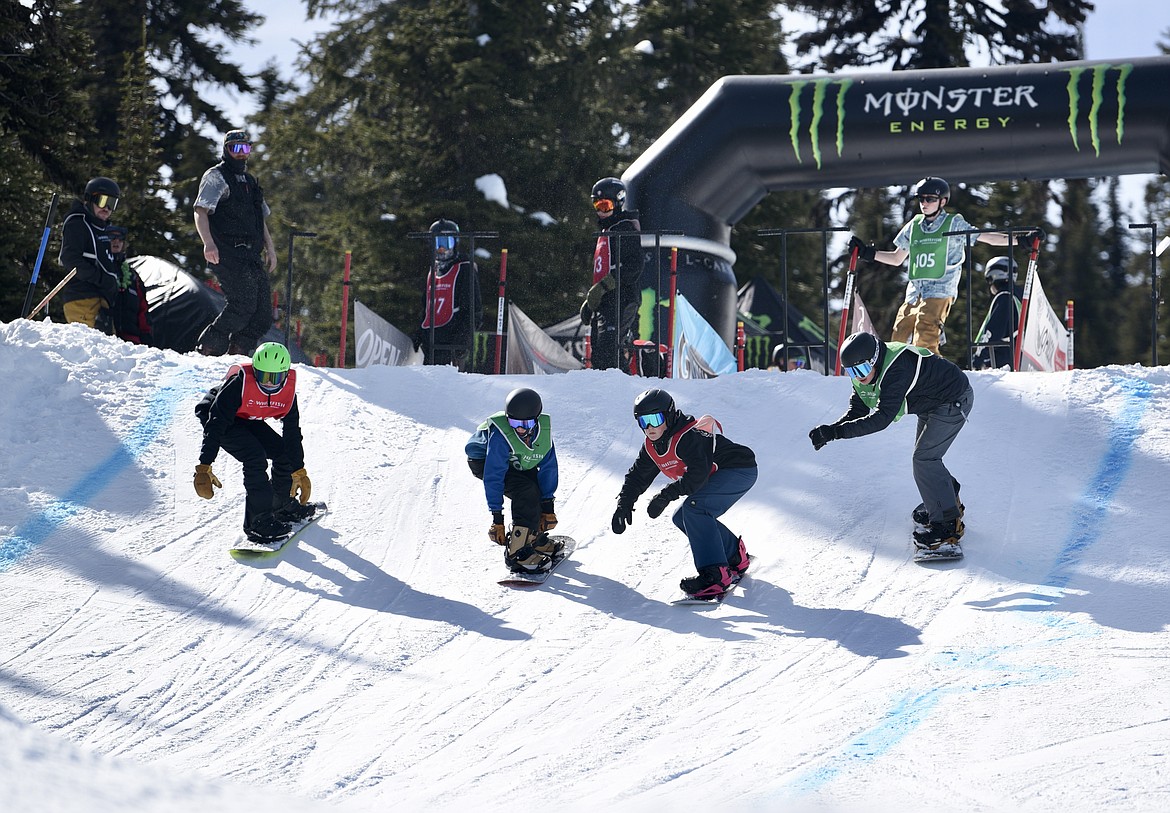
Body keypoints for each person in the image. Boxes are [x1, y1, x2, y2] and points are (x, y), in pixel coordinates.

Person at [808, 332, 972, 553]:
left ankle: (948, 527)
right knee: (925, 460)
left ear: (875, 359)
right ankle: (945, 500)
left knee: (925, 459)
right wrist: (829, 430)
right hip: (931, 402)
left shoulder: (896, 368)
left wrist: (836, 433)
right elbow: (858, 409)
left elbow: (882, 418)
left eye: (862, 370)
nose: (858, 377)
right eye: (851, 372)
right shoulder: (864, 374)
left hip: (953, 399)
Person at [848, 176, 1039, 355]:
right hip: (915, 292)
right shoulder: (914, 225)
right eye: (921, 199)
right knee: (900, 336)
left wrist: (1019, 241)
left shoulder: (953, 223)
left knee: (925, 334)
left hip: (939, 289)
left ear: (942, 201)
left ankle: (932, 377)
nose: (924, 203)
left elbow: (986, 237)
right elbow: (897, 258)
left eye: (930, 199)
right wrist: (868, 253)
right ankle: (903, 376)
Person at [611, 389, 758, 599]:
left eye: (655, 419)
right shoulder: (653, 446)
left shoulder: (689, 436)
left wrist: (665, 496)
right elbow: (637, 477)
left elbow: (697, 476)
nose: (650, 427)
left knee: (695, 510)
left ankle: (715, 575)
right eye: (643, 422)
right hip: (722, 474)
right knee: (682, 517)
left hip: (738, 469)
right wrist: (624, 504)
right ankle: (734, 556)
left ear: (669, 415)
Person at [193, 341, 318, 542]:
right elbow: (216, 423)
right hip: (217, 416)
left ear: (285, 375)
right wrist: (204, 465)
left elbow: (292, 433)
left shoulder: (287, 394)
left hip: (244, 416)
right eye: (263, 375)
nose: (268, 383)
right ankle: (257, 523)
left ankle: (283, 505)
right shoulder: (239, 384)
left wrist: (299, 470)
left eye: (275, 377)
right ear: (255, 370)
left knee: (283, 452)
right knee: (255, 457)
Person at [193, 129, 278, 356]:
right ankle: (207, 349)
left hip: (252, 255)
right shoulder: (216, 176)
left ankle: (238, 353)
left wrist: (270, 249)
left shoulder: (250, 182)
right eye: (236, 148)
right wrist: (208, 243)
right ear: (226, 149)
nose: (241, 153)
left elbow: (261, 220)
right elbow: (200, 211)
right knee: (242, 304)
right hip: (227, 252)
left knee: (263, 316)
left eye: (245, 148)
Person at [465, 387, 563, 574]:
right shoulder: (501, 435)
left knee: (536, 485)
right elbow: (494, 476)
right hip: (484, 461)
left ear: (536, 419)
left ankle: (534, 538)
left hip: (515, 458)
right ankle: (517, 553)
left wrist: (548, 508)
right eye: (514, 422)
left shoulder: (543, 433)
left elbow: (549, 469)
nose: (519, 428)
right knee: (525, 490)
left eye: (525, 424)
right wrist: (497, 519)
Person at [579, 177, 644, 371]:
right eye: (597, 205)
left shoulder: (624, 228)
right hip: (607, 303)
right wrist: (592, 300)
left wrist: (602, 288)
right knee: (599, 355)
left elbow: (634, 266)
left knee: (610, 352)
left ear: (618, 203)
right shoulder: (607, 231)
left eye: (606, 206)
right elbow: (603, 271)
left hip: (622, 299)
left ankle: (624, 392)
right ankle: (605, 396)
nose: (601, 211)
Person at [413, 218, 483, 369]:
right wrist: (420, 332)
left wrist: (463, 338)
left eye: (446, 243)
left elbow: (474, 309)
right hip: (431, 344)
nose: (441, 249)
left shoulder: (464, 269)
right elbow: (427, 308)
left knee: (446, 386)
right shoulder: (433, 271)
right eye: (438, 244)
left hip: (451, 344)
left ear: (455, 243)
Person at [58, 176, 120, 332]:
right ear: (89, 199)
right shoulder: (78, 222)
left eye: (112, 204)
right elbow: (70, 258)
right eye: (102, 201)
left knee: (106, 350)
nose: (106, 208)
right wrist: (101, 279)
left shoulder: (102, 229)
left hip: (101, 300)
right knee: (91, 349)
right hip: (82, 298)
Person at [971, 256, 1024, 370]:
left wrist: (978, 359)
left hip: (1001, 363)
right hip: (1019, 358)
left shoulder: (1004, 296)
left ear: (992, 277)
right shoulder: (1020, 295)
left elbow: (993, 331)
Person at [106, 225, 154, 346]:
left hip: (132, 339)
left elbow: (143, 309)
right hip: (105, 337)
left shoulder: (133, 276)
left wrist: (146, 335)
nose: (116, 241)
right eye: (112, 237)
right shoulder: (100, 268)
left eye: (120, 238)